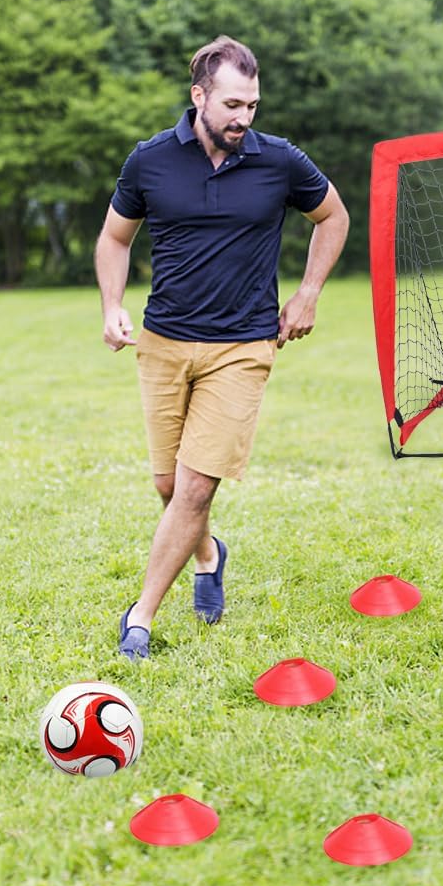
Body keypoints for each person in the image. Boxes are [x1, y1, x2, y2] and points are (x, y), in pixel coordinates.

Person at [95, 35, 349, 659]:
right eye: (233, 104)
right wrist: (111, 305)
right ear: (199, 96)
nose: (244, 118)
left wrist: (309, 293)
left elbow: (334, 217)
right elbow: (114, 238)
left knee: (196, 489)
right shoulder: (150, 161)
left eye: (253, 106)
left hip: (243, 346)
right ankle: (208, 554)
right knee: (168, 487)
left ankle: (141, 617)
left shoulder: (280, 161)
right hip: (162, 342)